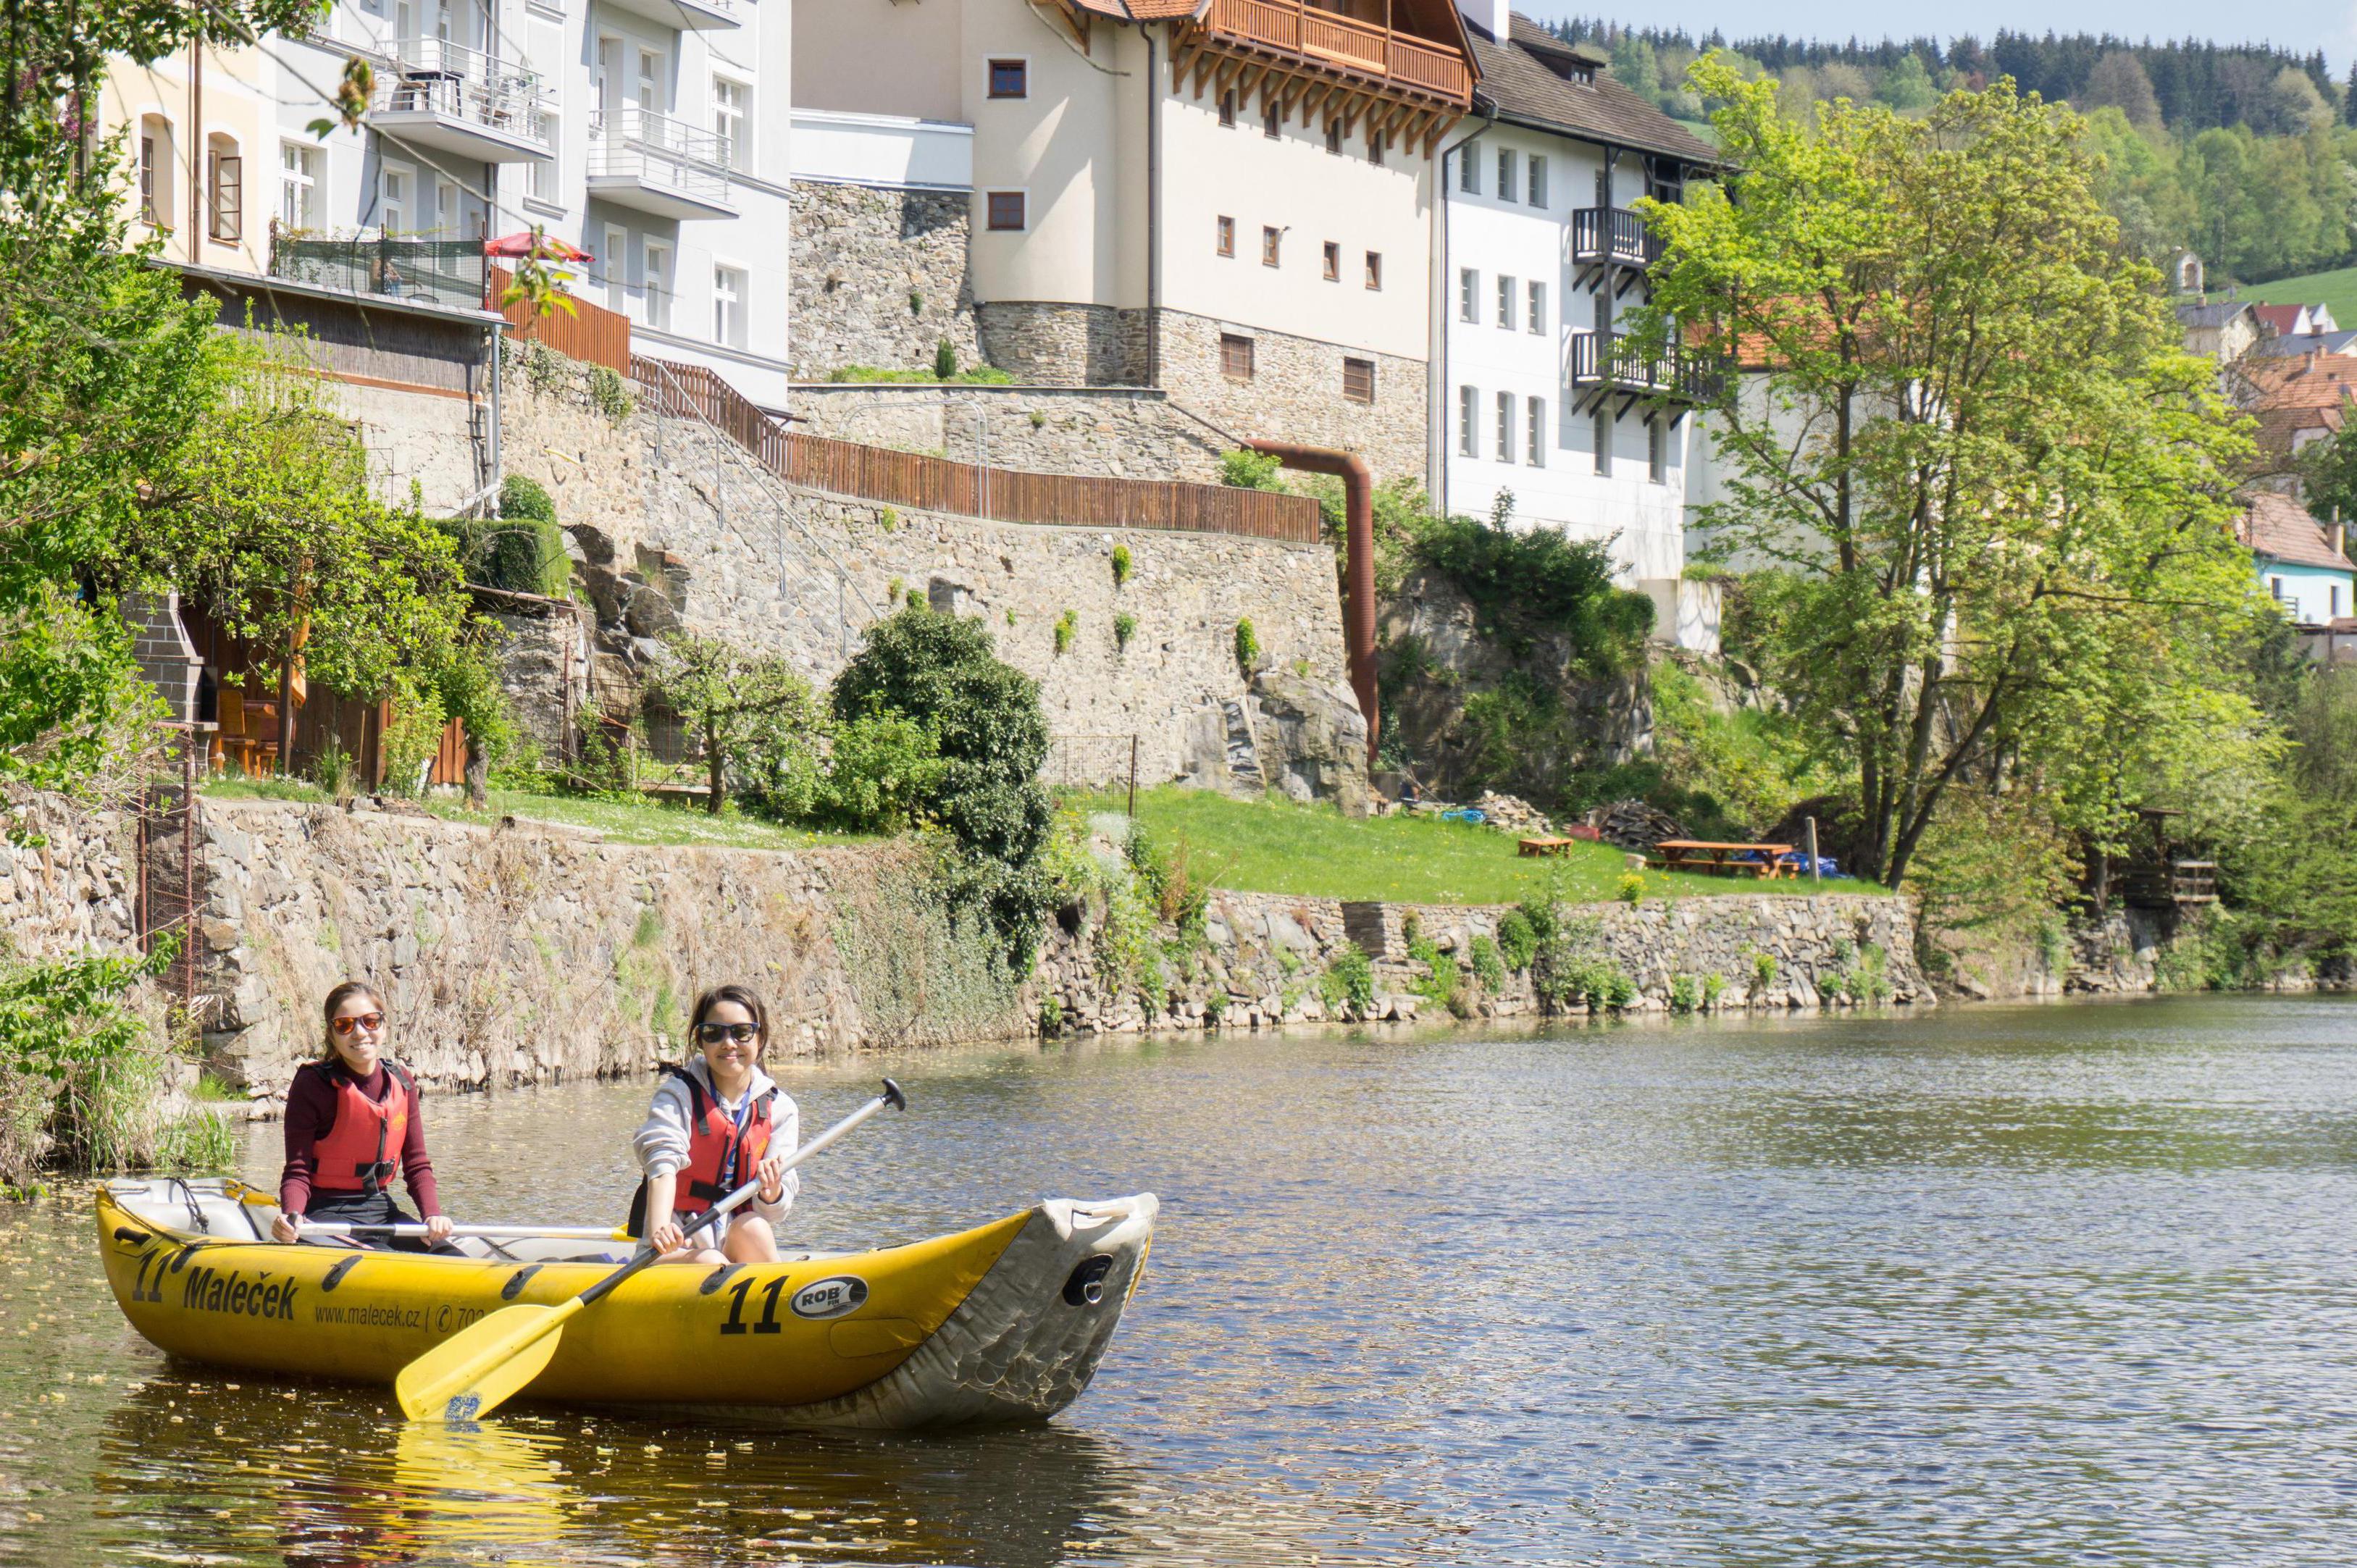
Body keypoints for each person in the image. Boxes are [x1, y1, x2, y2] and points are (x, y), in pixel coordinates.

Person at [272, 981, 454, 1251]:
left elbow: (416, 1165)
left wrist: (432, 1215)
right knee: (389, 1263)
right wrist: (292, 1216)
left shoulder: (402, 1081)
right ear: (331, 1034)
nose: (360, 1033)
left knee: (451, 1256)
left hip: (382, 1210)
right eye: (345, 1025)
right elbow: (298, 1171)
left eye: (370, 1021)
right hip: (325, 1215)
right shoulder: (312, 1085)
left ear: (384, 1026)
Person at [630, 984, 799, 1265]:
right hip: (674, 1245)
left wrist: (772, 1192)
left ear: (760, 1037)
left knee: (754, 1226)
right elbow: (662, 1166)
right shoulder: (678, 1095)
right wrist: (661, 1229)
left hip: (732, 1237)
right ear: (700, 1040)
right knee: (710, 1261)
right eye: (714, 1033)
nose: (729, 1043)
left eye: (742, 1032)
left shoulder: (781, 1109)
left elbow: (774, 1214)